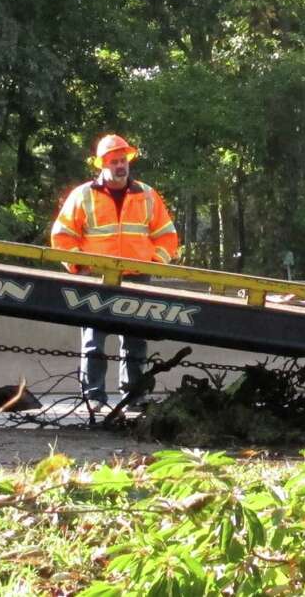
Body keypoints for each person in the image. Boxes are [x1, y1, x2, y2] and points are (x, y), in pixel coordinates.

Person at [50, 134, 179, 408]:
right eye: (114, 161)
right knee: (93, 341)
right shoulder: (83, 195)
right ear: (102, 165)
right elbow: (62, 236)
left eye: (123, 160)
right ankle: (93, 397)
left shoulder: (146, 194)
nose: (121, 166)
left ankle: (133, 397)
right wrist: (79, 266)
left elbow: (167, 235)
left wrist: (153, 262)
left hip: (137, 277)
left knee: (134, 341)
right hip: (96, 278)